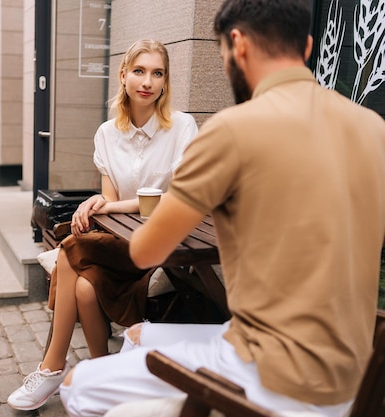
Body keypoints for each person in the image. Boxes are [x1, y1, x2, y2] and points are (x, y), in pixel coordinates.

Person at [59, 1, 385, 416]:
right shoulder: (374, 128)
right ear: (306, 47)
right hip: (351, 370)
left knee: (77, 387)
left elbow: (144, 253)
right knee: (139, 335)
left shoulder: (232, 131)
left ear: (237, 44)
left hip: (272, 375)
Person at [7, 39, 199, 411]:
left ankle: (53, 367)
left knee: (71, 253)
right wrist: (97, 203)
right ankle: (100, 373)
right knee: (82, 287)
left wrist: (111, 206)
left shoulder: (182, 128)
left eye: (157, 73)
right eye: (139, 71)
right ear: (123, 75)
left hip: (166, 247)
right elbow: (111, 203)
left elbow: (177, 202)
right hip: (122, 244)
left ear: (165, 81)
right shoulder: (107, 134)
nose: (148, 82)